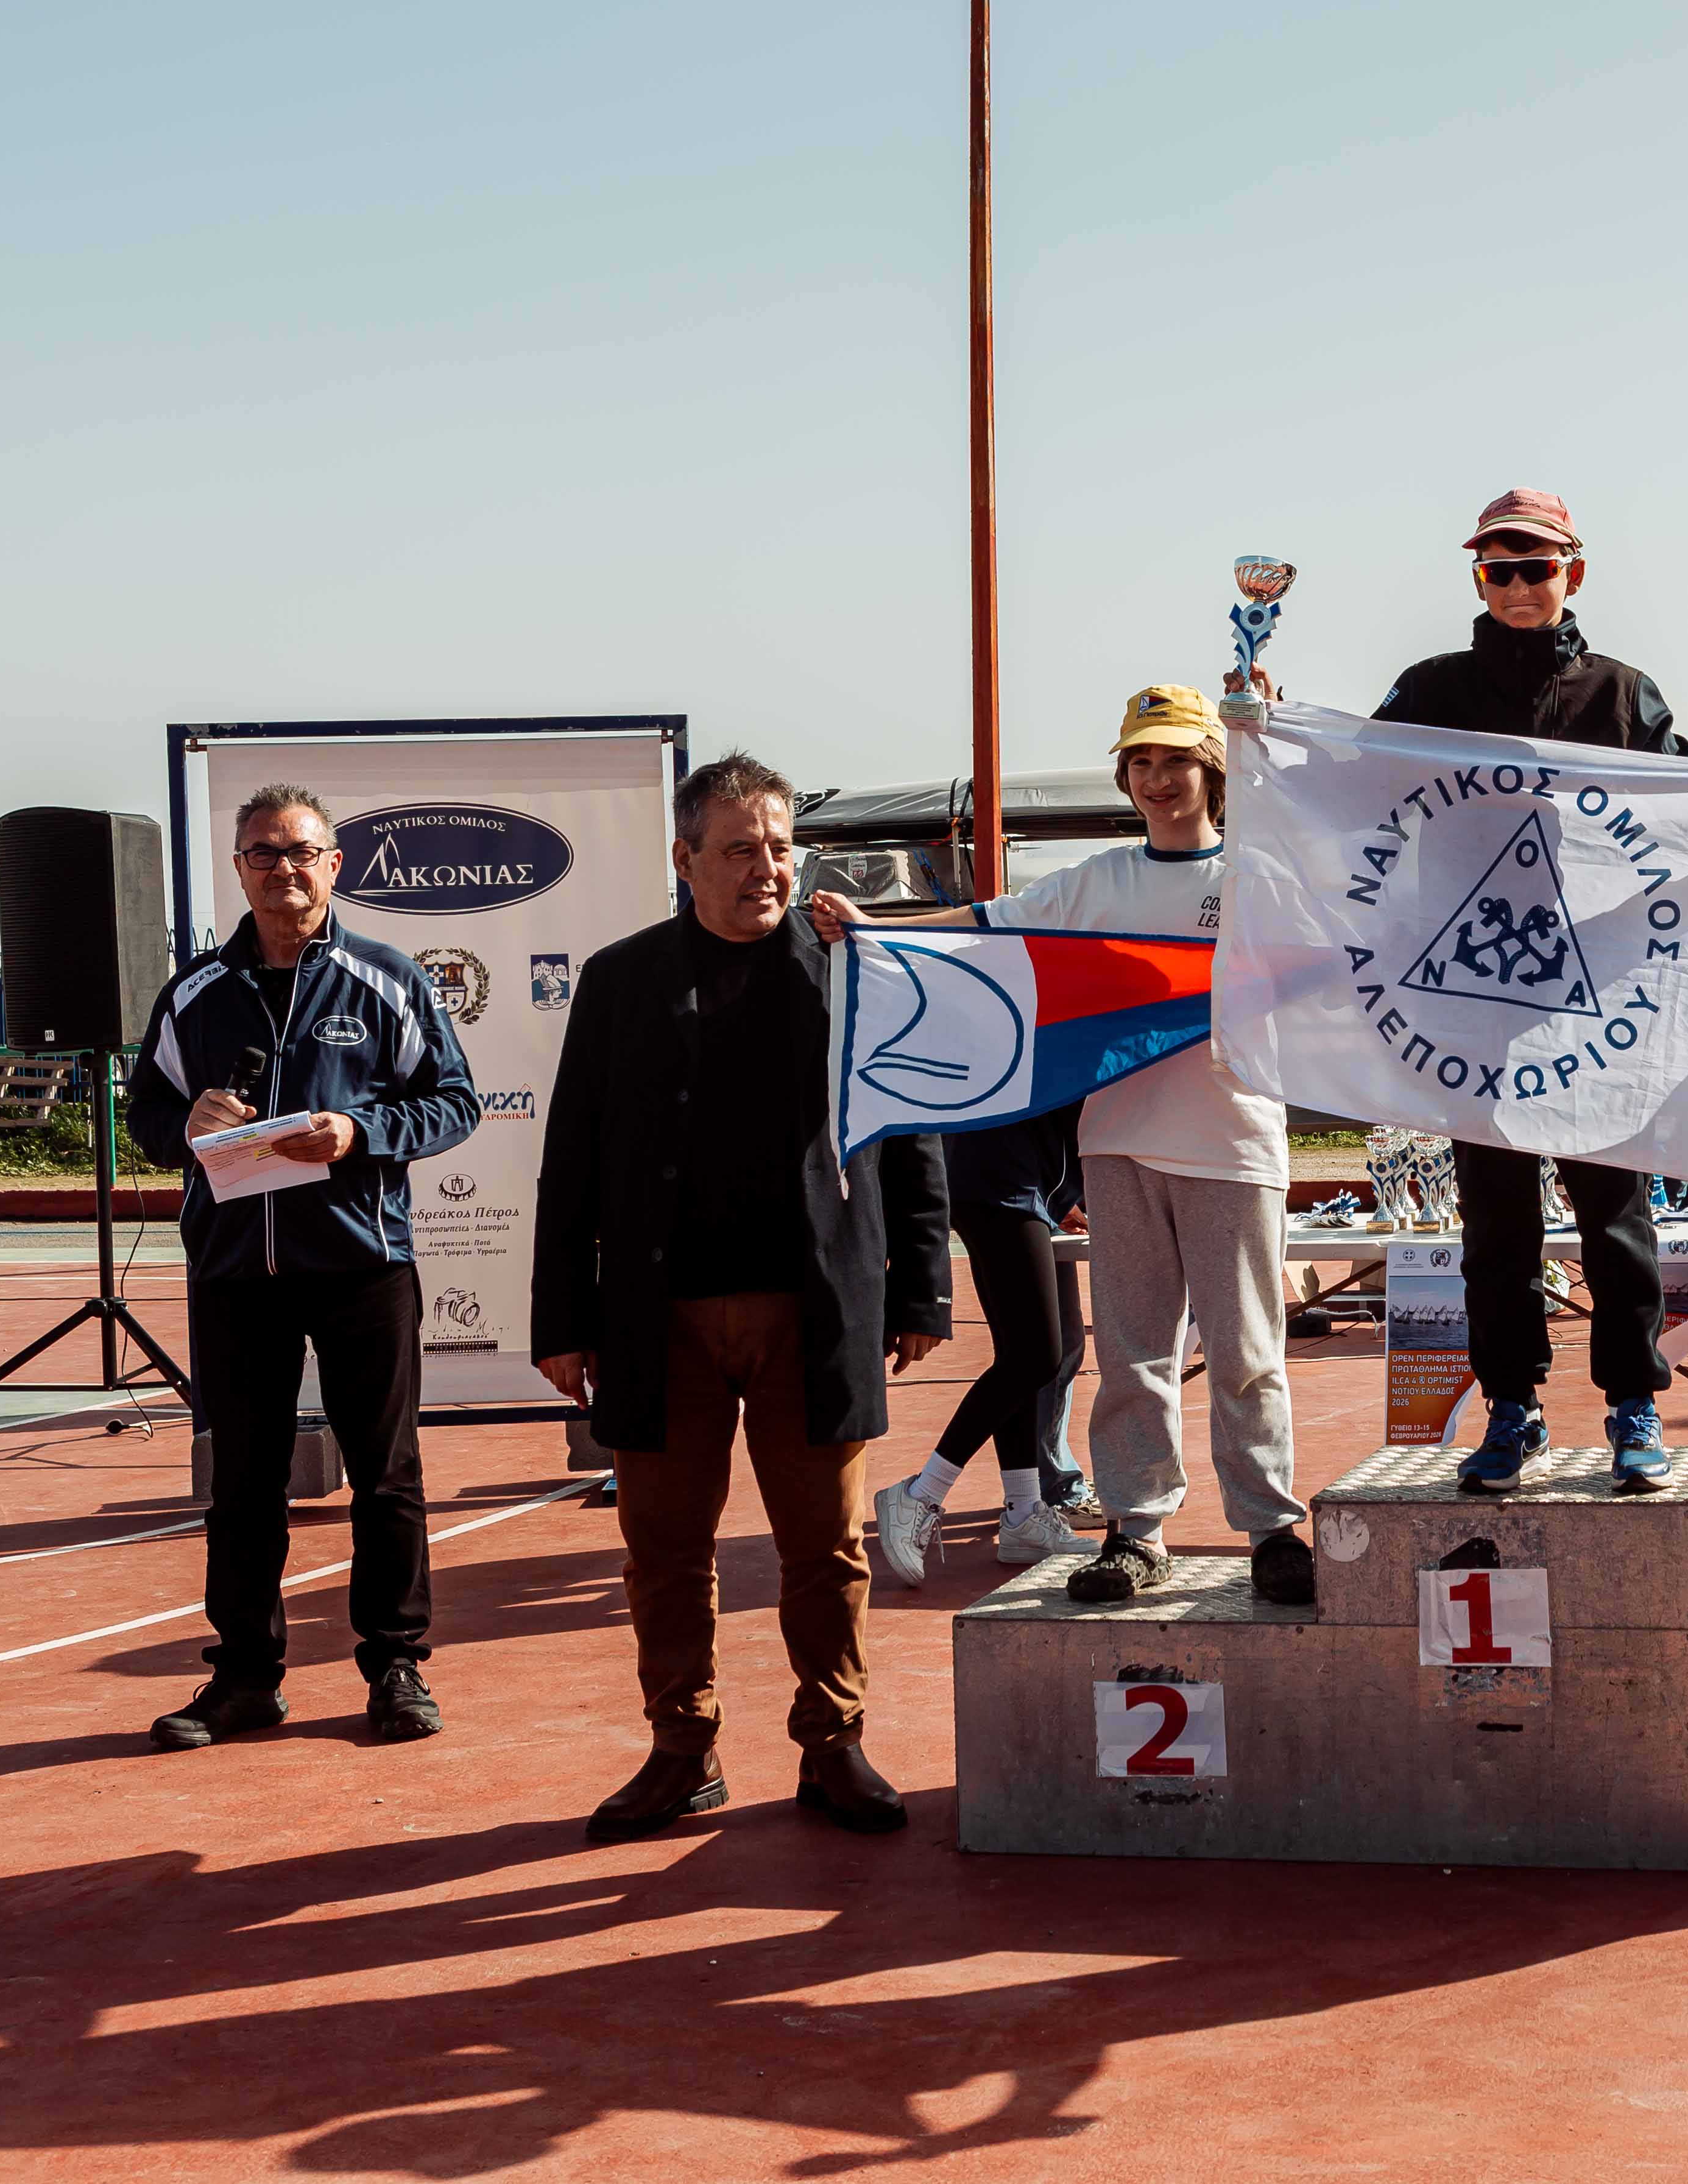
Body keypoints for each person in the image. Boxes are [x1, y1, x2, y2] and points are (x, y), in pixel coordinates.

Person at [1358, 487, 1688, 1494]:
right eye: (1498, 569)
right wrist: (1263, 726)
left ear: (1574, 572)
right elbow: (1347, 776)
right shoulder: (1429, 690)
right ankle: (1510, 1407)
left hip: (1598, 999)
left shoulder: (1621, 694)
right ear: (1478, 577)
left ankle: (1632, 1404)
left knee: (1614, 1213)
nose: (1518, 585)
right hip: (1474, 999)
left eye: (1536, 566)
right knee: (1495, 1222)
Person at [533, 752, 954, 1843]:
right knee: (666, 1552)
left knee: (826, 1548)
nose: (764, 869)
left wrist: (922, 1287)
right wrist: (559, 1318)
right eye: (738, 850)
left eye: (777, 847)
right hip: (655, 1317)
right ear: (684, 859)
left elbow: (910, 1128)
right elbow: (570, 1153)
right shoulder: (619, 980)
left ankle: (834, 1743)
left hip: (814, 1311)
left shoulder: (856, 968)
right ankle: (683, 1748)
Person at [816, 684, 1312, 1609]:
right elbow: (989, 924)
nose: (1158, 779)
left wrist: (1271, 742)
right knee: (1132, 1356)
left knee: (1246, 1354)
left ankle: (1271, 1528)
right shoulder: (1098, 883)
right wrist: (876, 929)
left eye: (1176, 760)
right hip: (1118, 1147)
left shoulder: (1257, 876)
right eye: (1141, 762)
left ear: (1211, 770)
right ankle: (1136, 1529)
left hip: (1233, 1146)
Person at [127, 784, 478, 1751]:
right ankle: (245, 1678)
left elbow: (455, 1102)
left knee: (386, 1475)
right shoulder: (194, 993)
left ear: (334, 865)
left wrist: (361, 1132)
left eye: (301, 852)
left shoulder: (388, 980)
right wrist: (186, 1123)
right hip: (236, 1270)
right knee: (243, 1484)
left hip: (363, 1261)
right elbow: (144, 1115)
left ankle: (396, 1666)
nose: (283, 868)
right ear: (240, 868)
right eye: (263, 853)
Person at [871, 1102, 1098, 1585]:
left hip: (999, 1178)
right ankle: (918, 1495)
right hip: (1003, 1180)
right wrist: (1071, 1192)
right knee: (1038, 1355)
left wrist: (1061, 1195)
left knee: (1021, 1353)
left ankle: (1023, 1513)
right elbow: (1073, 1104)